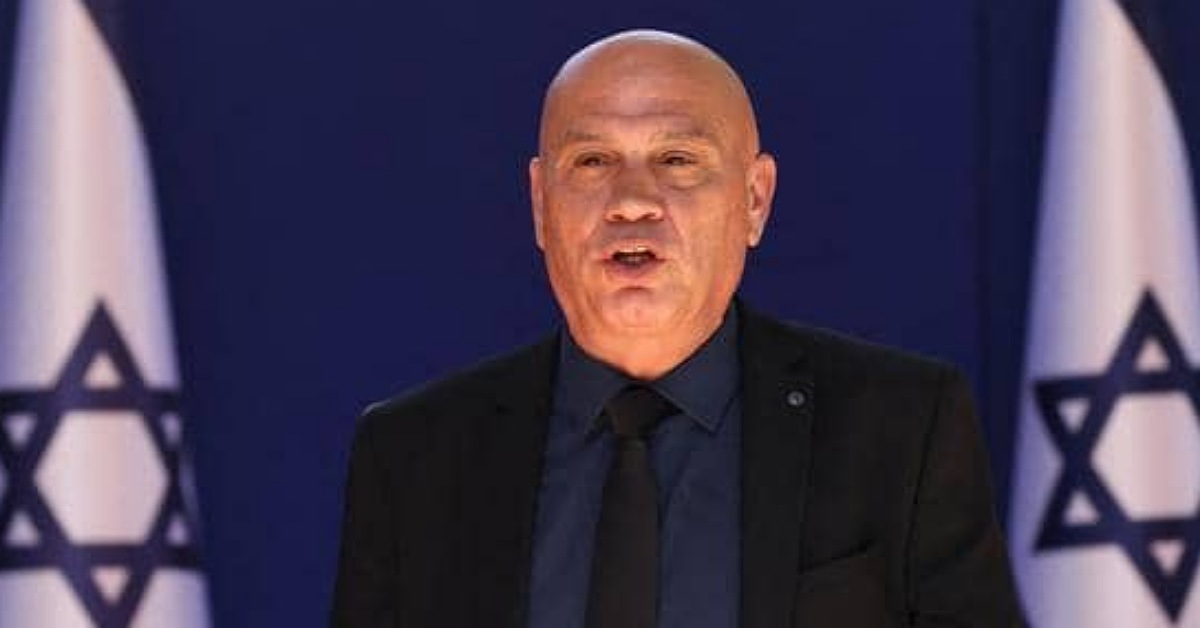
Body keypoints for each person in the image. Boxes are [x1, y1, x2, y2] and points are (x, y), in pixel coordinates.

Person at [330, 29, 1021, 628]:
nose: (633, 202)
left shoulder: (901, 427)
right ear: (541, 204)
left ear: (755, 199)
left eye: (677, 161)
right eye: (593, 162)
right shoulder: (413, 456)